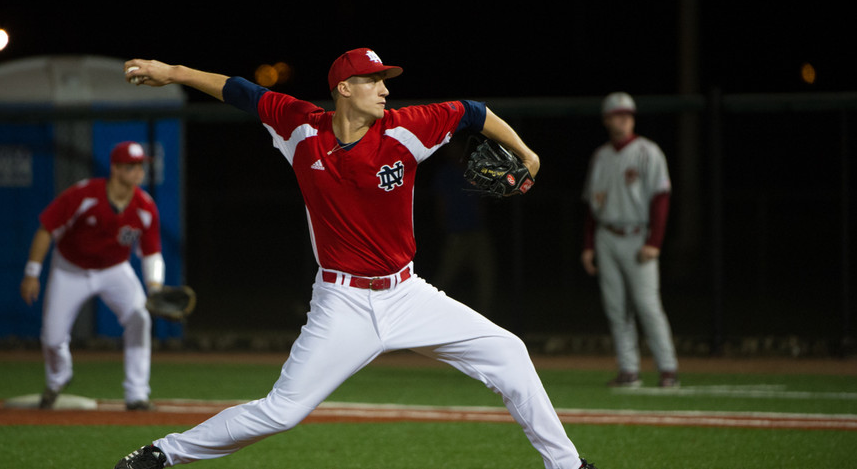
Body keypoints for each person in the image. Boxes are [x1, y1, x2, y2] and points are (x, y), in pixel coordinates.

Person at [115, 49, 597, 469]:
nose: (384, 89)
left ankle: (568, 465)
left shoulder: (408, 128)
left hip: (408, 293)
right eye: (373, 80)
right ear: (344, 88)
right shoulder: (301, 126)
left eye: (385, 80)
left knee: (508, 351)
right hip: (341, 302)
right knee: (283, 411)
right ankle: (162, 454)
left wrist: (527, 154)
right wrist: (173, 71)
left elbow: (473, 111)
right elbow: (240, 91)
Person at [20, 141, 164, 410]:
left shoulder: (145, 206)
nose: (138, 171)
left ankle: (136, 394)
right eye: (131, 166)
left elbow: (151, 252)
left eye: (140, 165)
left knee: (140, 318)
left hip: (114, 270)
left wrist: (154, 287)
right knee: (52, 339)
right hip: (70, 270)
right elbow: (46, 229)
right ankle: (58, 377)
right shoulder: (84, 195)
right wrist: (32, 273)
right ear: (115, 168)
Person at [580, 92, 679, 388]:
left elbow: (661, 198)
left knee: (647, 305)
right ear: (607, 119)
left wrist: (655, 241)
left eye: (627, 114)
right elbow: (591, 206)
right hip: (606, 236)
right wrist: (588, 245)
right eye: (617, 115)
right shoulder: (600, 156)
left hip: (638, 236)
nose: (623, 119)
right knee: (615, 307)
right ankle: (629, 370)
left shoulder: (648, 152)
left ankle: (668, 368)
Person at [431, 134, 496, 316]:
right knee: (444, 277)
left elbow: (482, 200)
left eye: (456, 147)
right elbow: (440, 203)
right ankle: (431, 313)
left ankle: (484, 316)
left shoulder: (472, 170)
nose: (454, 151)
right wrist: (444, 230)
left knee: (486, 275)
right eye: (450, 149)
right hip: (456, 233)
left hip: (477, 231)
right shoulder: (445, 173)